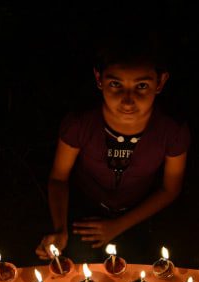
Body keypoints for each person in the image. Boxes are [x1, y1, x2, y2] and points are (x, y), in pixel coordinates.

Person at [35, 36, 190, 264]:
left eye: (142, 86)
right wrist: (60, 229)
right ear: (99, 78)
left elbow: (170, 188)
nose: (128, 101)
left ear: (160, 82)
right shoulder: (80, 124)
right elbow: (59, 178)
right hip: (86, 212)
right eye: (116, 84)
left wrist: (118, 226)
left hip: (138, 214)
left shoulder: (172, 131)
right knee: (77, 267)